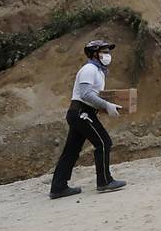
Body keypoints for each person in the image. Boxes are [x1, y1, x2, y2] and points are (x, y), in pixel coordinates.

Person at [50, 40, 126, 199]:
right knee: (104, 142)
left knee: (71, 151)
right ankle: (104, 181)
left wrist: (105, 106)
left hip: (80, 112)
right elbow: (85, 94)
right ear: (94, 54)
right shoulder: (89, 69)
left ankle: (58, 187)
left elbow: (91, 95)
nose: (108, 55)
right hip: (81, 112)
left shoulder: (98, 71)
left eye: (108, 51)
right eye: (104, 52)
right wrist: (106, 105)